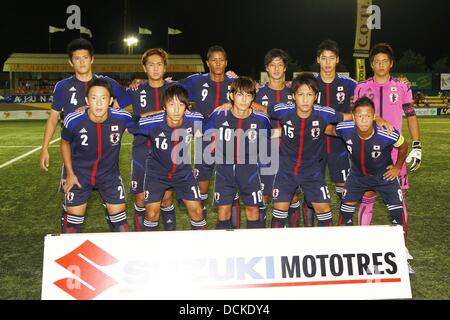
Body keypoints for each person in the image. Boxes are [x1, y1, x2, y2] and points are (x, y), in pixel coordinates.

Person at [40, 38, 128, 231]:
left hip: (104, 154)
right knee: (72, 202)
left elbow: (127, 100)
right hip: (75, 157)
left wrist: (138, 85)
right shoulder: (63, 86)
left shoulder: (107, 83)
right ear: (71, 62)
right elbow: (54, 118)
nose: (81, 62)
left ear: (92, 59)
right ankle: (68, 225)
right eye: (77, 59)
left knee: (114, 207)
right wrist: (45, 148)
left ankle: (111, 214)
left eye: (85, 58)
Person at [353, 43, 421, 270]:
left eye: (385, 61)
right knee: (367, 197)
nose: (381, 65)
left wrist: (417, 145)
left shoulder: (401, 87)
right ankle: (362, 249)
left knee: (399, 200)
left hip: (395, 153)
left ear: (391, 63)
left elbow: (411, 115)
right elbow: (356, 117)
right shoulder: (361, 87)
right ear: (371, 64)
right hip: (368, 152)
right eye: (376, 61)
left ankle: (400, 248)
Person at [60, 78, 134, 233]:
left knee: (121, 225)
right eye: (94, 98)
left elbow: (145, 120)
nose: (99, 103)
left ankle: (121, 255)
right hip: (80, 175)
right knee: (72, 227)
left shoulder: (122, 117)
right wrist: (70, 174)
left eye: (103, 98)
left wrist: (172, 111)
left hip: (109, 176)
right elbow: (65, 142)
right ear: (87, 100)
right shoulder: (73, 120)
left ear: (110, 100)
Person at [129, 85, 206, 230]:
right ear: (164, 107)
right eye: (171, 104)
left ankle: (200, 250)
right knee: (151, 213)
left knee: (197, 211)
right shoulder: (152, 123)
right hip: (157, 174)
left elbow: (214, 121)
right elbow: (129, 122)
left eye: (181, 104)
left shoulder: (195, 120)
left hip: (184, 172)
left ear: (187, 106)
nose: (176, 110)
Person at [325, 96, 408, 228]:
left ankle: (399, 247)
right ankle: (347, 245)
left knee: (397, 216)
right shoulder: (345, 129)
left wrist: (397, 167)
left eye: (368, 116)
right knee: (345, 216)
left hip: (384, 176)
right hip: (356, 177)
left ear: (374, 116)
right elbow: (328, 130)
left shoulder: (386, 133)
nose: (363, 120)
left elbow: (403, 146)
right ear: (353, 116)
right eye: (359, 116)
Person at [117, 48, 177, 231]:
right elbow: (113, 107)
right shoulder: (136, 90)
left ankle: (169, 240)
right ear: (144, 68)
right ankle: (140, 242)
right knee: (141, 199)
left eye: (159, 64)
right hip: (142, 150)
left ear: (165, 67)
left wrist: (231, 77)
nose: (156, 68)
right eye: (151, 65)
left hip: (169, 151)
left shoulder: (174, 89)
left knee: (166, 199)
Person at [204, 77, 270, 229]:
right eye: (240, 94)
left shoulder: (261, 119)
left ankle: (253, 249)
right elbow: (205, 134)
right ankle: (224, 251)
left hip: (250, 169)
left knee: (253, 210)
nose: (244, 99)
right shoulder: (219, 115)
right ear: (232, 96)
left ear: (253, 98)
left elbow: (269, 136)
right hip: (224, 169)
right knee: (223, 212)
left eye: (248, 95)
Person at [305, 40, 358, 227]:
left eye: (331, 59)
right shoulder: (309, 83)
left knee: (344, 190)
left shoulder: (350, 84)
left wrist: (401, 80)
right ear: (318, 60)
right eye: (324, 59)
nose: (327, 63)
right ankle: (310, 232)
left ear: (337, 60)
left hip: (340, 146)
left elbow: (370, 92)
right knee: (312, 191)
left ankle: (345, 231)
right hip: (313, 146)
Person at [253, 48, 300, 228]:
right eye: (272, 65)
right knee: (264, 195)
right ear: (267, 68)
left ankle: (292, 234)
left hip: (290, 152)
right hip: (265, 150)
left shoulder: (294, 93)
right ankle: (263, 236)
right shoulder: (257, 93)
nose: (276, 69)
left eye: (280, 65)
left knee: (292, 195)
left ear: (285, 68)